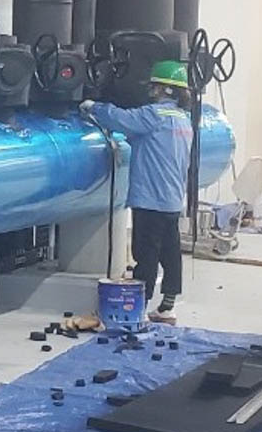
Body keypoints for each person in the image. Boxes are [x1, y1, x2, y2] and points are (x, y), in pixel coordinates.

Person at [80, 60, 194, 324]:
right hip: (172, 199)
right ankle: (167, 308)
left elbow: (121, 119)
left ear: (166, 89)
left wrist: (94, 107)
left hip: (150, 198)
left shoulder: (153, 115)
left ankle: (138, 309)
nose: (151, 90)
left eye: (155, 86)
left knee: (146, 254)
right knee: (170, 252)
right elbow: (148, 140)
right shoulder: (183, 119)